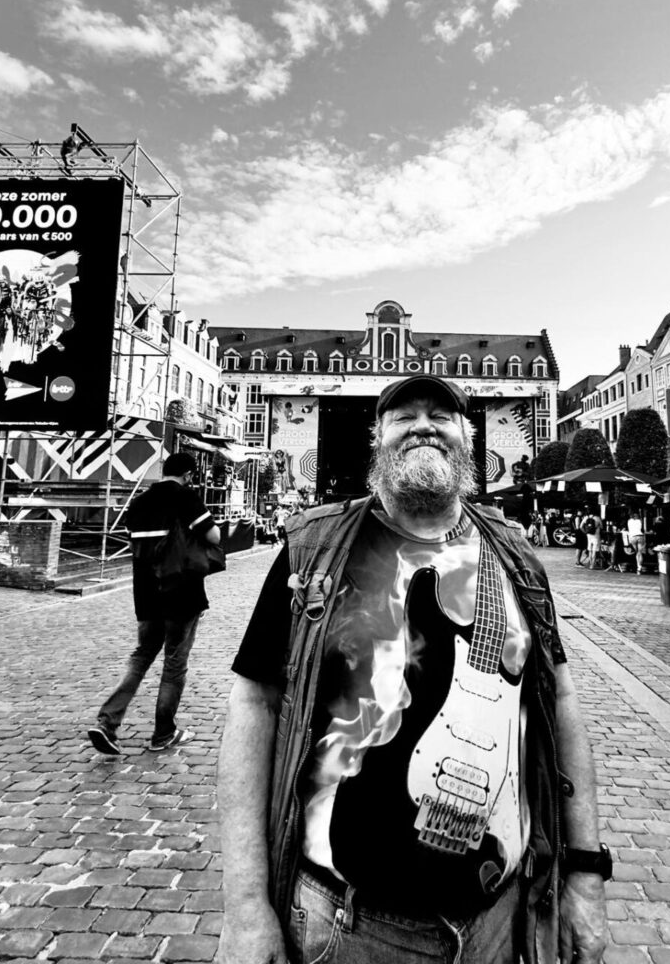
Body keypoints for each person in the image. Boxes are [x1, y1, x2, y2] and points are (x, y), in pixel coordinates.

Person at [218, 374, 609, 964]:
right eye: (404, 417)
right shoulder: (313, 550)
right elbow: (254, 706)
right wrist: (246, 905)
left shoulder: (516, 557)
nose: (423, 426)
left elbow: (561, 704)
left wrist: (584, 872)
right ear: (377, 439)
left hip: (499, 917)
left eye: (441, 416)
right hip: (345, 923)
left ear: (467, 440)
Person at [87, 453, 220, 756]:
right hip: (182, 592)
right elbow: (213, 536)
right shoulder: (186, 497)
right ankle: (163, 733)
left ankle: (107, 722)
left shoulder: (140, 502)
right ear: (188, 475)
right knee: (174, 663)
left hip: (146, 594)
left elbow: (132, 544)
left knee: (141, 656)